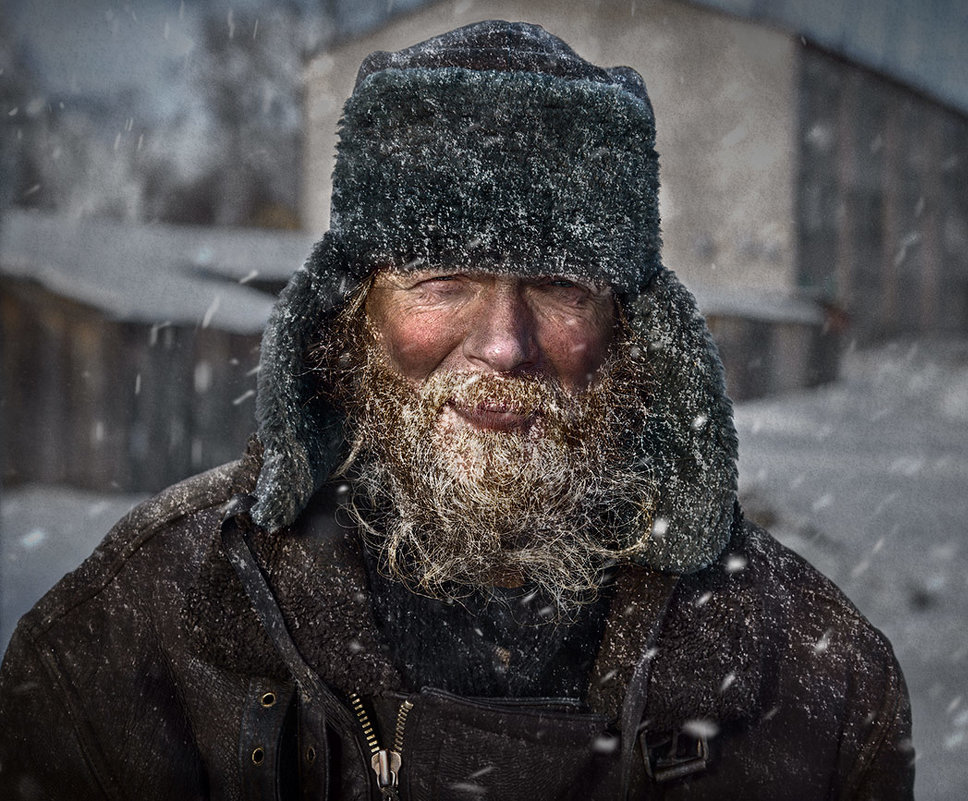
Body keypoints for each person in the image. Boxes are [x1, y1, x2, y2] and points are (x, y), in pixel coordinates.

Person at [0, 20, 913, 801]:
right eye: (442, 280)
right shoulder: (136, 636)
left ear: (637, 330)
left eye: (559, 285)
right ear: (350, 312)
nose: (505, 344)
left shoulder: (809, 675)